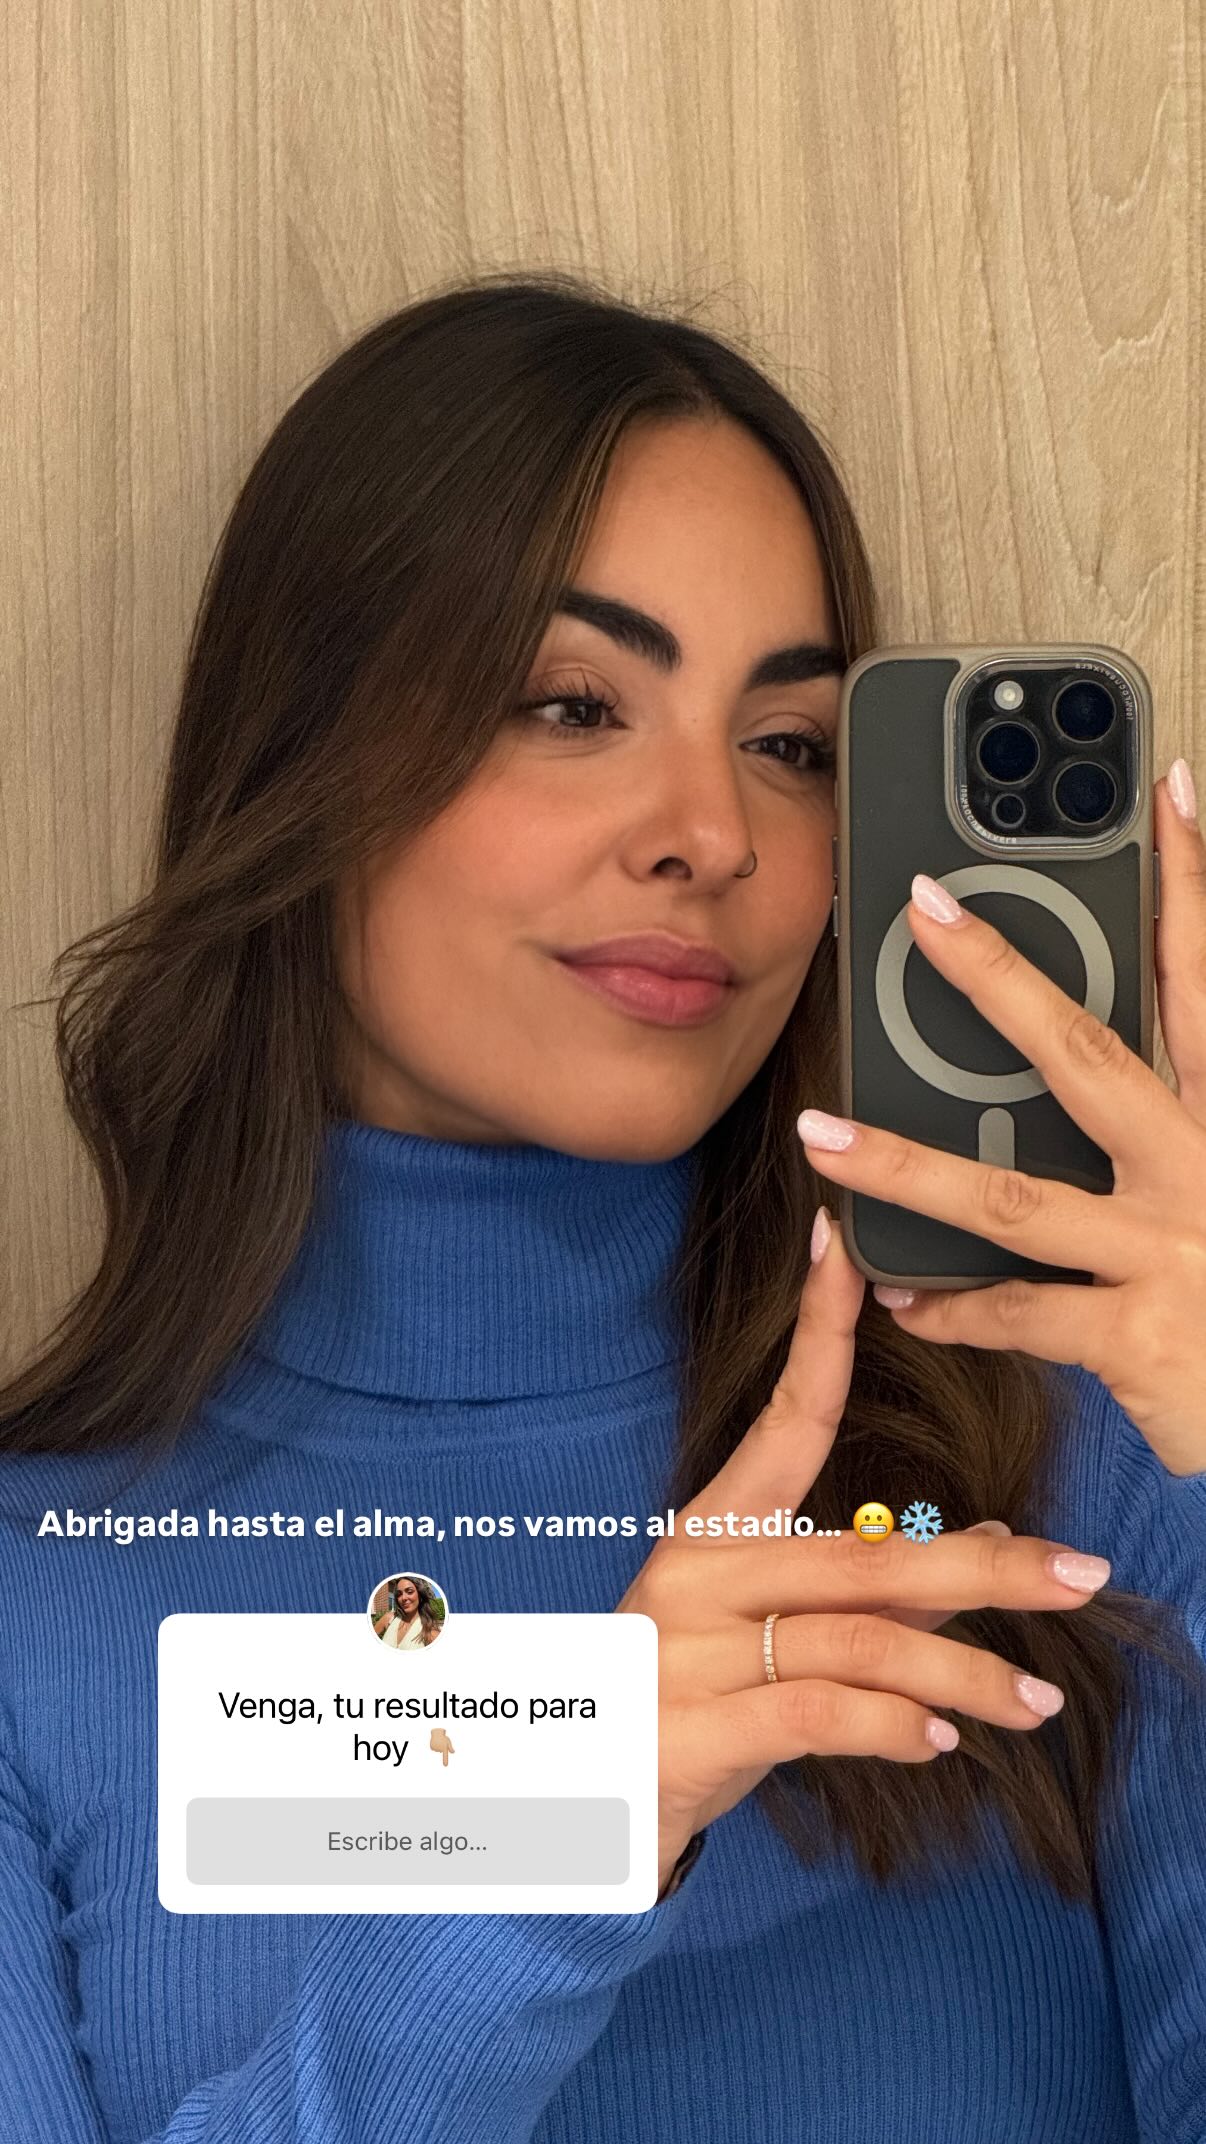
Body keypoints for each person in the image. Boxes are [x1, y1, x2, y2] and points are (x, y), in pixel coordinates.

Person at [1, 271, 1204, 2144]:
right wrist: (554, 1840)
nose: (712, 832)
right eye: (574, 703)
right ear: (302, 759)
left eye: (789, 744)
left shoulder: (1074, 1472)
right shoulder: (38, 1592)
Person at [377, 1574, 441, 1647]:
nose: (403, 1598)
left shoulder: (430, 1631)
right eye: (399, 1594)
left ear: (420, 1595)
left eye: (410, 1592)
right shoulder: (389, 1619)